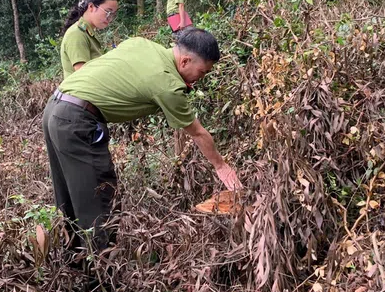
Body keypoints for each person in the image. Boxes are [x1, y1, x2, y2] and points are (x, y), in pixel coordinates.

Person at [42, 27, 242, 251]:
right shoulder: (167, 85)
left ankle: (72, 262)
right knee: (98, 199)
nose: (201, 78)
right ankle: (100, 275)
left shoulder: (142, 44)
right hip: (77, 120)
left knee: (70, 195)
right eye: (202, 72)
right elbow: (197, 132)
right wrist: (221, 166)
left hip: (55, 108)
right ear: (185, 61)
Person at [60, 0, 119, 79]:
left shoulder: (88, 34)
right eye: (108, 12)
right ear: (91, 7)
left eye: (113, 14)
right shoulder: (76, 34)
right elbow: (83, 76)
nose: (110, 18)